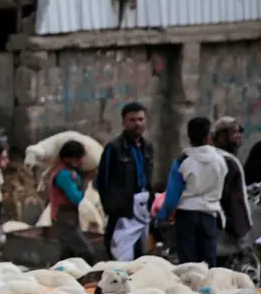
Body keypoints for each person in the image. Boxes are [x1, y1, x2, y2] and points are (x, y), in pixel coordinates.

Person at [156, 117, 228, 268]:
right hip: (210, 215)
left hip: (187, 217)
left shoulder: (183, 161)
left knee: (188, 266)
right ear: (209, 137)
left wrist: (162, 217)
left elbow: (171, 197)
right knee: (209, 263)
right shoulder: (220, 160)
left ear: (188, 136)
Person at [96, 101, 155, 261]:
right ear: (124, 123)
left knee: (141, 254)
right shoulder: (114, 148)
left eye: (140, 119)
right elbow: (103, 181)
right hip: (123, 209)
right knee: (120, 254)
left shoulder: (147, 147)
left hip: (143, 205)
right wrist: (113, 208)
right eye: (132, 120)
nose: (137, 124)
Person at [212, 117, 253, 262]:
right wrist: (240, 229)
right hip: (226, 232)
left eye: (239, 131)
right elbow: (232, 199)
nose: (239, 135)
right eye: (234, 132)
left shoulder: (224, 158)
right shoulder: (226, 161)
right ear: (221, 137)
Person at [50, 141, 95, 264]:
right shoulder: (63, 175)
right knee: (86, 253)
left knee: (67, 255)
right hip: (64, 220)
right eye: (80, 158)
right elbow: (75, 197)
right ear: (71, 159)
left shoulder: (69, 172)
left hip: (68, 218)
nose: (82, 161)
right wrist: (85, 183)